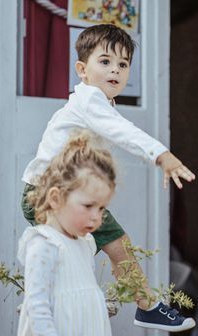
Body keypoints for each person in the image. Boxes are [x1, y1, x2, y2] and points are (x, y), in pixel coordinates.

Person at [21, 23, 196, 332]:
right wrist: (161, 155)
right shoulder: (90, 101)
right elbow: (124, 133)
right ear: (82, 70)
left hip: (68, 196)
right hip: (47, 195)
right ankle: (142, 306)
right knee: (96, 250)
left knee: (108, 248)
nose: (115, 70)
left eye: (123, 64)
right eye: (105, 61)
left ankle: (140, 305)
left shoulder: (98, 105)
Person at [18, 131, 116, 336]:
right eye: (88, 206)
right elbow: (37, 307)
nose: (96, 217)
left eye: (101, 209)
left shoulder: (85, 243)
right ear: (56, 198)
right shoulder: (44, 244)